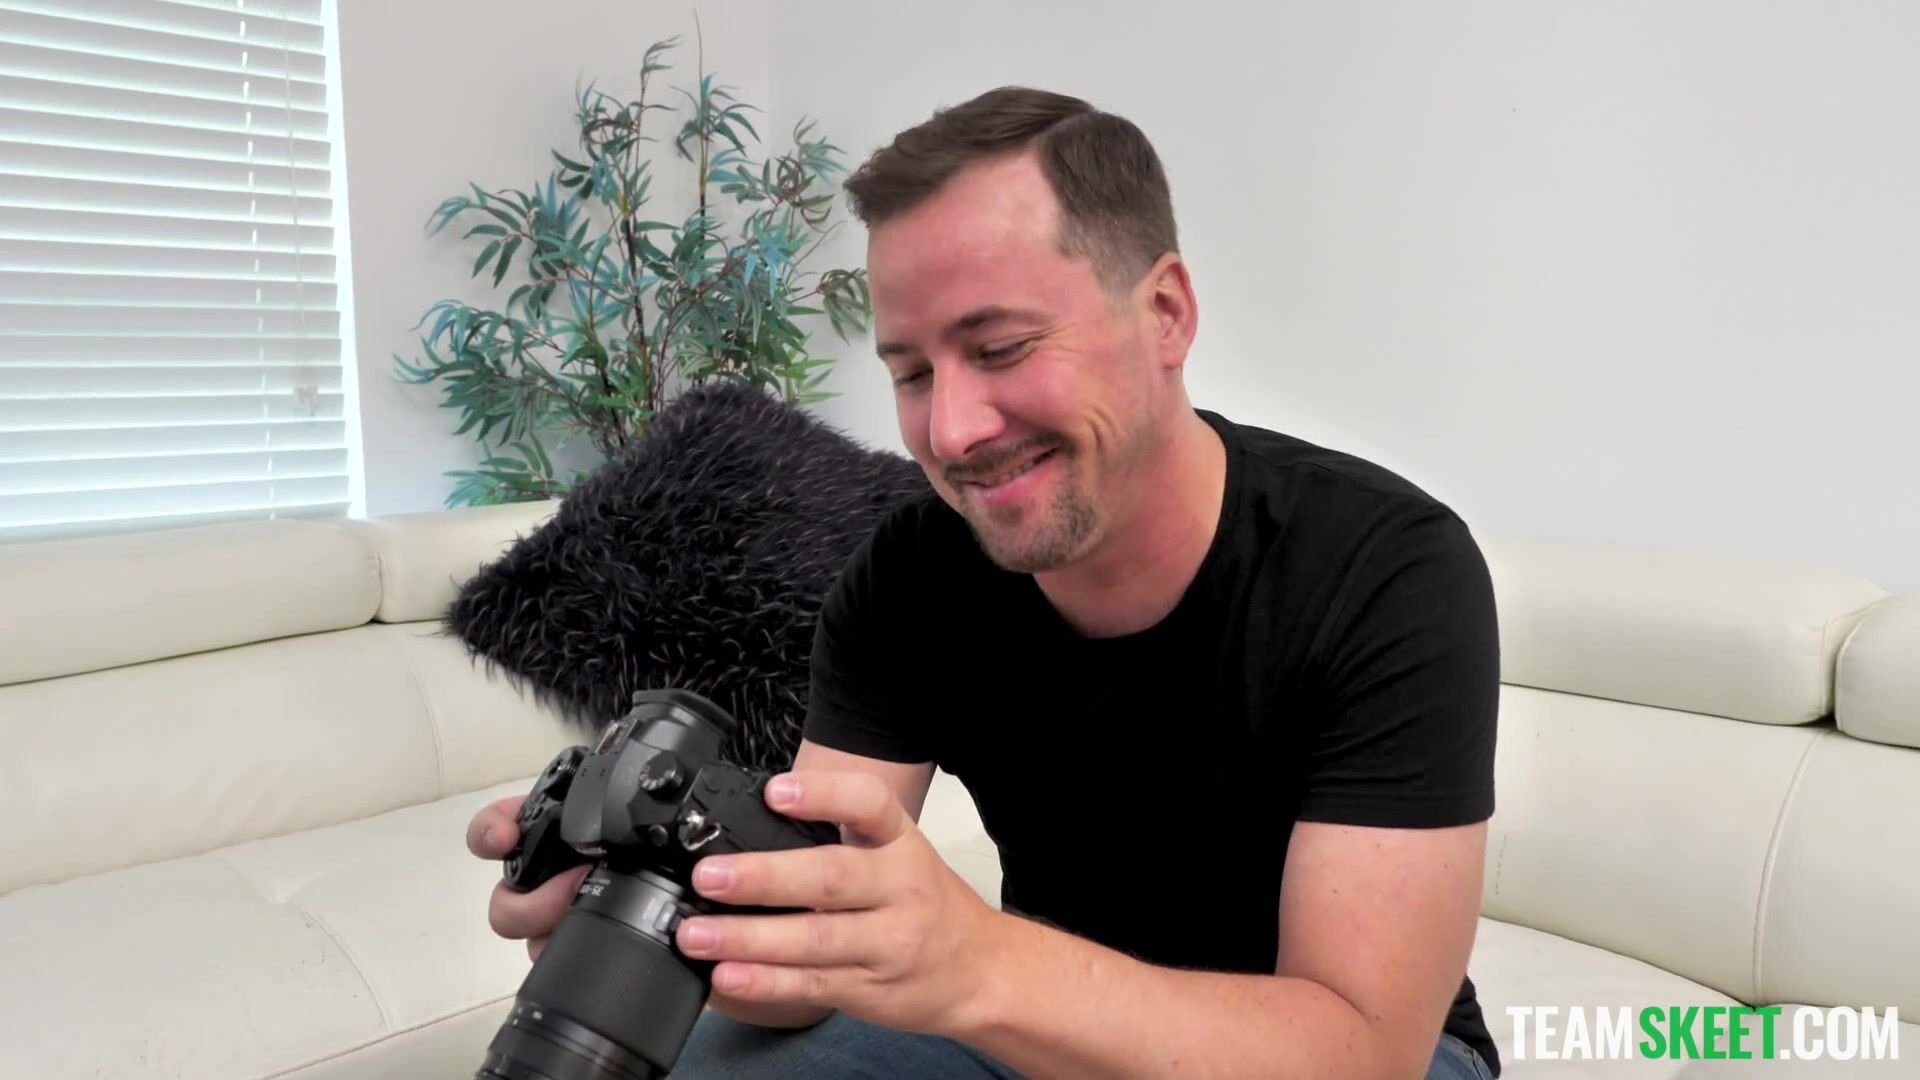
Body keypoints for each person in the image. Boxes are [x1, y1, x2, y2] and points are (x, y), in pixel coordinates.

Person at [467, 86, 1501, 1079]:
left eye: (1000, 348)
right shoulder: (910, 574)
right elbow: (812, 953)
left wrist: (979, 965)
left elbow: (1359, 1052)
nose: (952, 432)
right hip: (1043, 1026)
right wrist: (674, 909)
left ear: (1165, 314)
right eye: (912, 374)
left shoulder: (1387, 568)